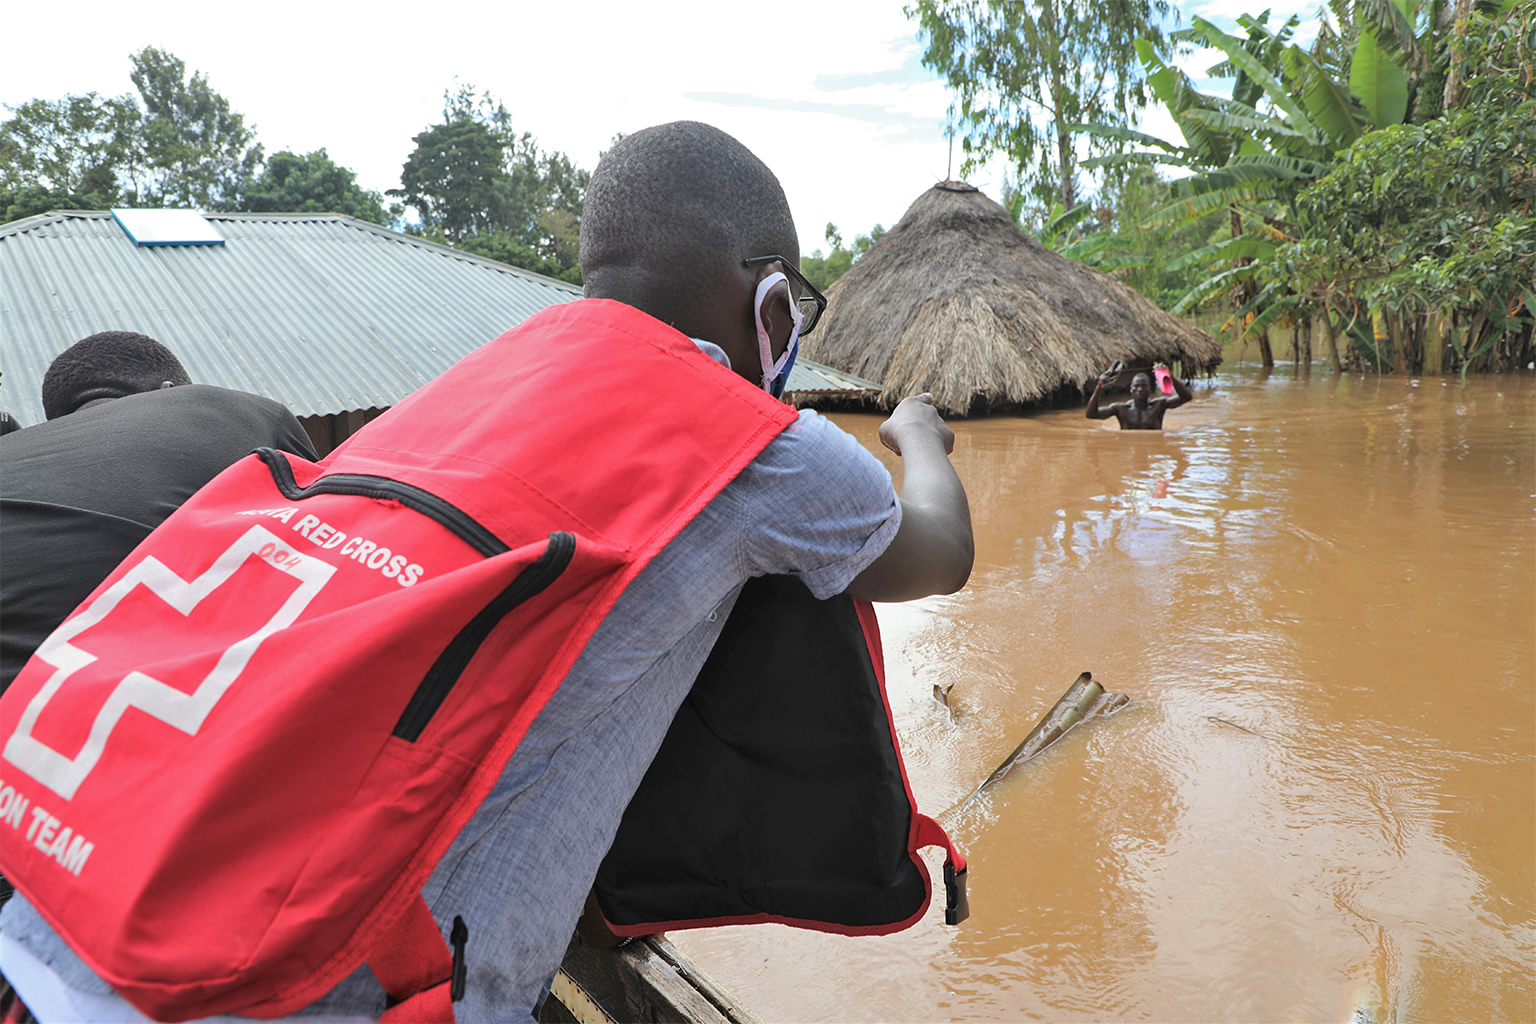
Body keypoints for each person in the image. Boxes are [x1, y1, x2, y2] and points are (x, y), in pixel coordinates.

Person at [0, 123, 972, 1023]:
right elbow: (937, 554)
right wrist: (918, 438)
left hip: (70, 909)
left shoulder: (481, 377)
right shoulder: (760, 445)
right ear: (766, 298)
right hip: (305, 981)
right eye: (793, 303)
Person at [0, 331, 316, 695]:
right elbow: (338, 532)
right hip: (151, 701)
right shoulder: (237, 409)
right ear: (170, 390)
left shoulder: (15, 452)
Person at [1086, 365, 1193, 430]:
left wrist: (1170, 376)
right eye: (1136, 386)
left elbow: (1186, 397)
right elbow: (1091, 414)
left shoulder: (1159, 405)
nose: (1140, 389)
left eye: (1144, 386)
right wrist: (1099, 387)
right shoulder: (1121, 409)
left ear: (1150, 389)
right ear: (1131, 389)